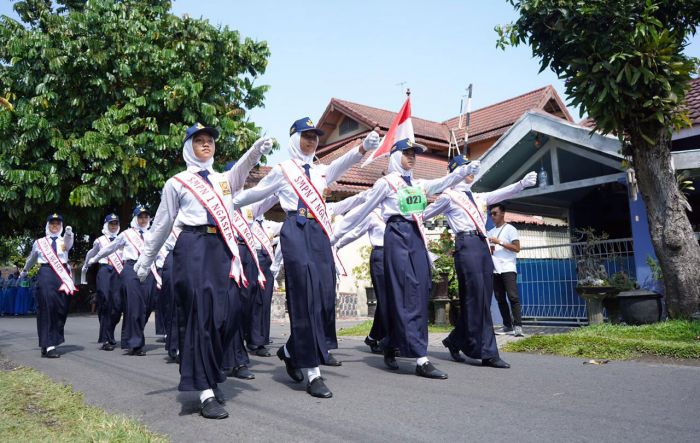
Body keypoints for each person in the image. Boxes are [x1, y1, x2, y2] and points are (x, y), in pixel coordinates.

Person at [232, 117, 380, 398]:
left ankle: (290, 350)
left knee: (324, 297)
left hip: (319, 232)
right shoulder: (283, 170)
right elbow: (258, 193)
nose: (312, 141)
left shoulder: (322, 171)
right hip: (296, 230)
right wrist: (231, 203)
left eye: (315, 137)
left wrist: (363, 148)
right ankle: (313, 372)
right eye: (306, 136)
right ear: (293, 139)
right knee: (304, 296)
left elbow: (344, 163)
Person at [134, 123, 272, 419]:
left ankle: (210, 374)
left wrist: (255, 151)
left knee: (229, 313)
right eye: (200, 141)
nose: (206, 144)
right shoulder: (178, 183)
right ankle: (204, 390)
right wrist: (145, 261)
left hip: (222, 247)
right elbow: (161, 224)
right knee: (200, 316)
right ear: (189, 147)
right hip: (193, 247)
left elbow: (241, 172)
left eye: (210, 140)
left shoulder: (223, 181)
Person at [332, 138, 476, 380]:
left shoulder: (418, 184)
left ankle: (391, 343)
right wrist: (336, 235)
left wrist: (462, 171)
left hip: (415, 237)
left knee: (420, 293)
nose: (412, 157)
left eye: (414, 154)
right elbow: (364, 210)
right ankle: (421, 358)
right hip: (396, 236)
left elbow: (442, 183)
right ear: (395, 156)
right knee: (402, 294)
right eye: (407, 153)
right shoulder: (386, 183)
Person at [423, 156, 537, 368]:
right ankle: (488, 352)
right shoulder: (449, 196)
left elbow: (502, 193)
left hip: (482, 245)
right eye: (466, 168)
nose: (471, 171)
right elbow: (423, 215)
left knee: (481, 299)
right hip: (466, 245)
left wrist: (521, 184)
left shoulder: (478, 196)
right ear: (456, 172)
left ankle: (454, 340)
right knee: (476, 298)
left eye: (472, 167)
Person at [89, 205, 156, 356]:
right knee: (134, 306)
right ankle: (135, 343)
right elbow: (110, 248)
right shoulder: (127, 234)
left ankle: (132, 336)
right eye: (140, 216)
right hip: (131, 268)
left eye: (146, 217)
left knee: (148, 305)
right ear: (135, 218)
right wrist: (95, 258)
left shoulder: (154, 234)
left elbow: (161, 251)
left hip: (149, 269)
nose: (143, 219)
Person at [20, 213, 76, 358]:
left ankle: (50, 341)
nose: (55, 226)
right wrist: (25, 270)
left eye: (58, 224)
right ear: (47, 225)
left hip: (62, 275)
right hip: (46, 273)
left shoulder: (64, 240)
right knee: (47, 306)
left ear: (61, 226)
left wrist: (69, 234)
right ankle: (49, 344)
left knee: (61, 308)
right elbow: (32, 258)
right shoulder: (39, 243)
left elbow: (69, 245)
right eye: (52, 223)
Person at [335, 205, 386, 354]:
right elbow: (356, 232)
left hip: (396, 256)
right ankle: (383, 338)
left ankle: (374, 337)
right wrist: (337, 243)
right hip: (380, 256)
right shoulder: (373, 215)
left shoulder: (397, 212)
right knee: (385, 301)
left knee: (393, 301)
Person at [82, 213, 123, 350]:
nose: (113, 226)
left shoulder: (123, 238)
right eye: (111, 223)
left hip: (118, 272)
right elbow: (91, 253)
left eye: (116, 223)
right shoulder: (100, 240)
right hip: (104, 270)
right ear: (106, 225)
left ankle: (109, 332)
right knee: (105, 302)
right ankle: (106, 339)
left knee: (117, 305)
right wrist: (86, 264)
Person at [487, 203, 524, 337]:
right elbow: (491, 250)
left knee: (513, 297)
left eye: (494, 213)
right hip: (495, 269)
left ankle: (518, 326)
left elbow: (517, 248)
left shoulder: (510, 229)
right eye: (491, 214)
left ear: (503, 213)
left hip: (508, 267)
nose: (492, 216)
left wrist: (499, 242)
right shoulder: (490, 232)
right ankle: (507, 325)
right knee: (500, 298)